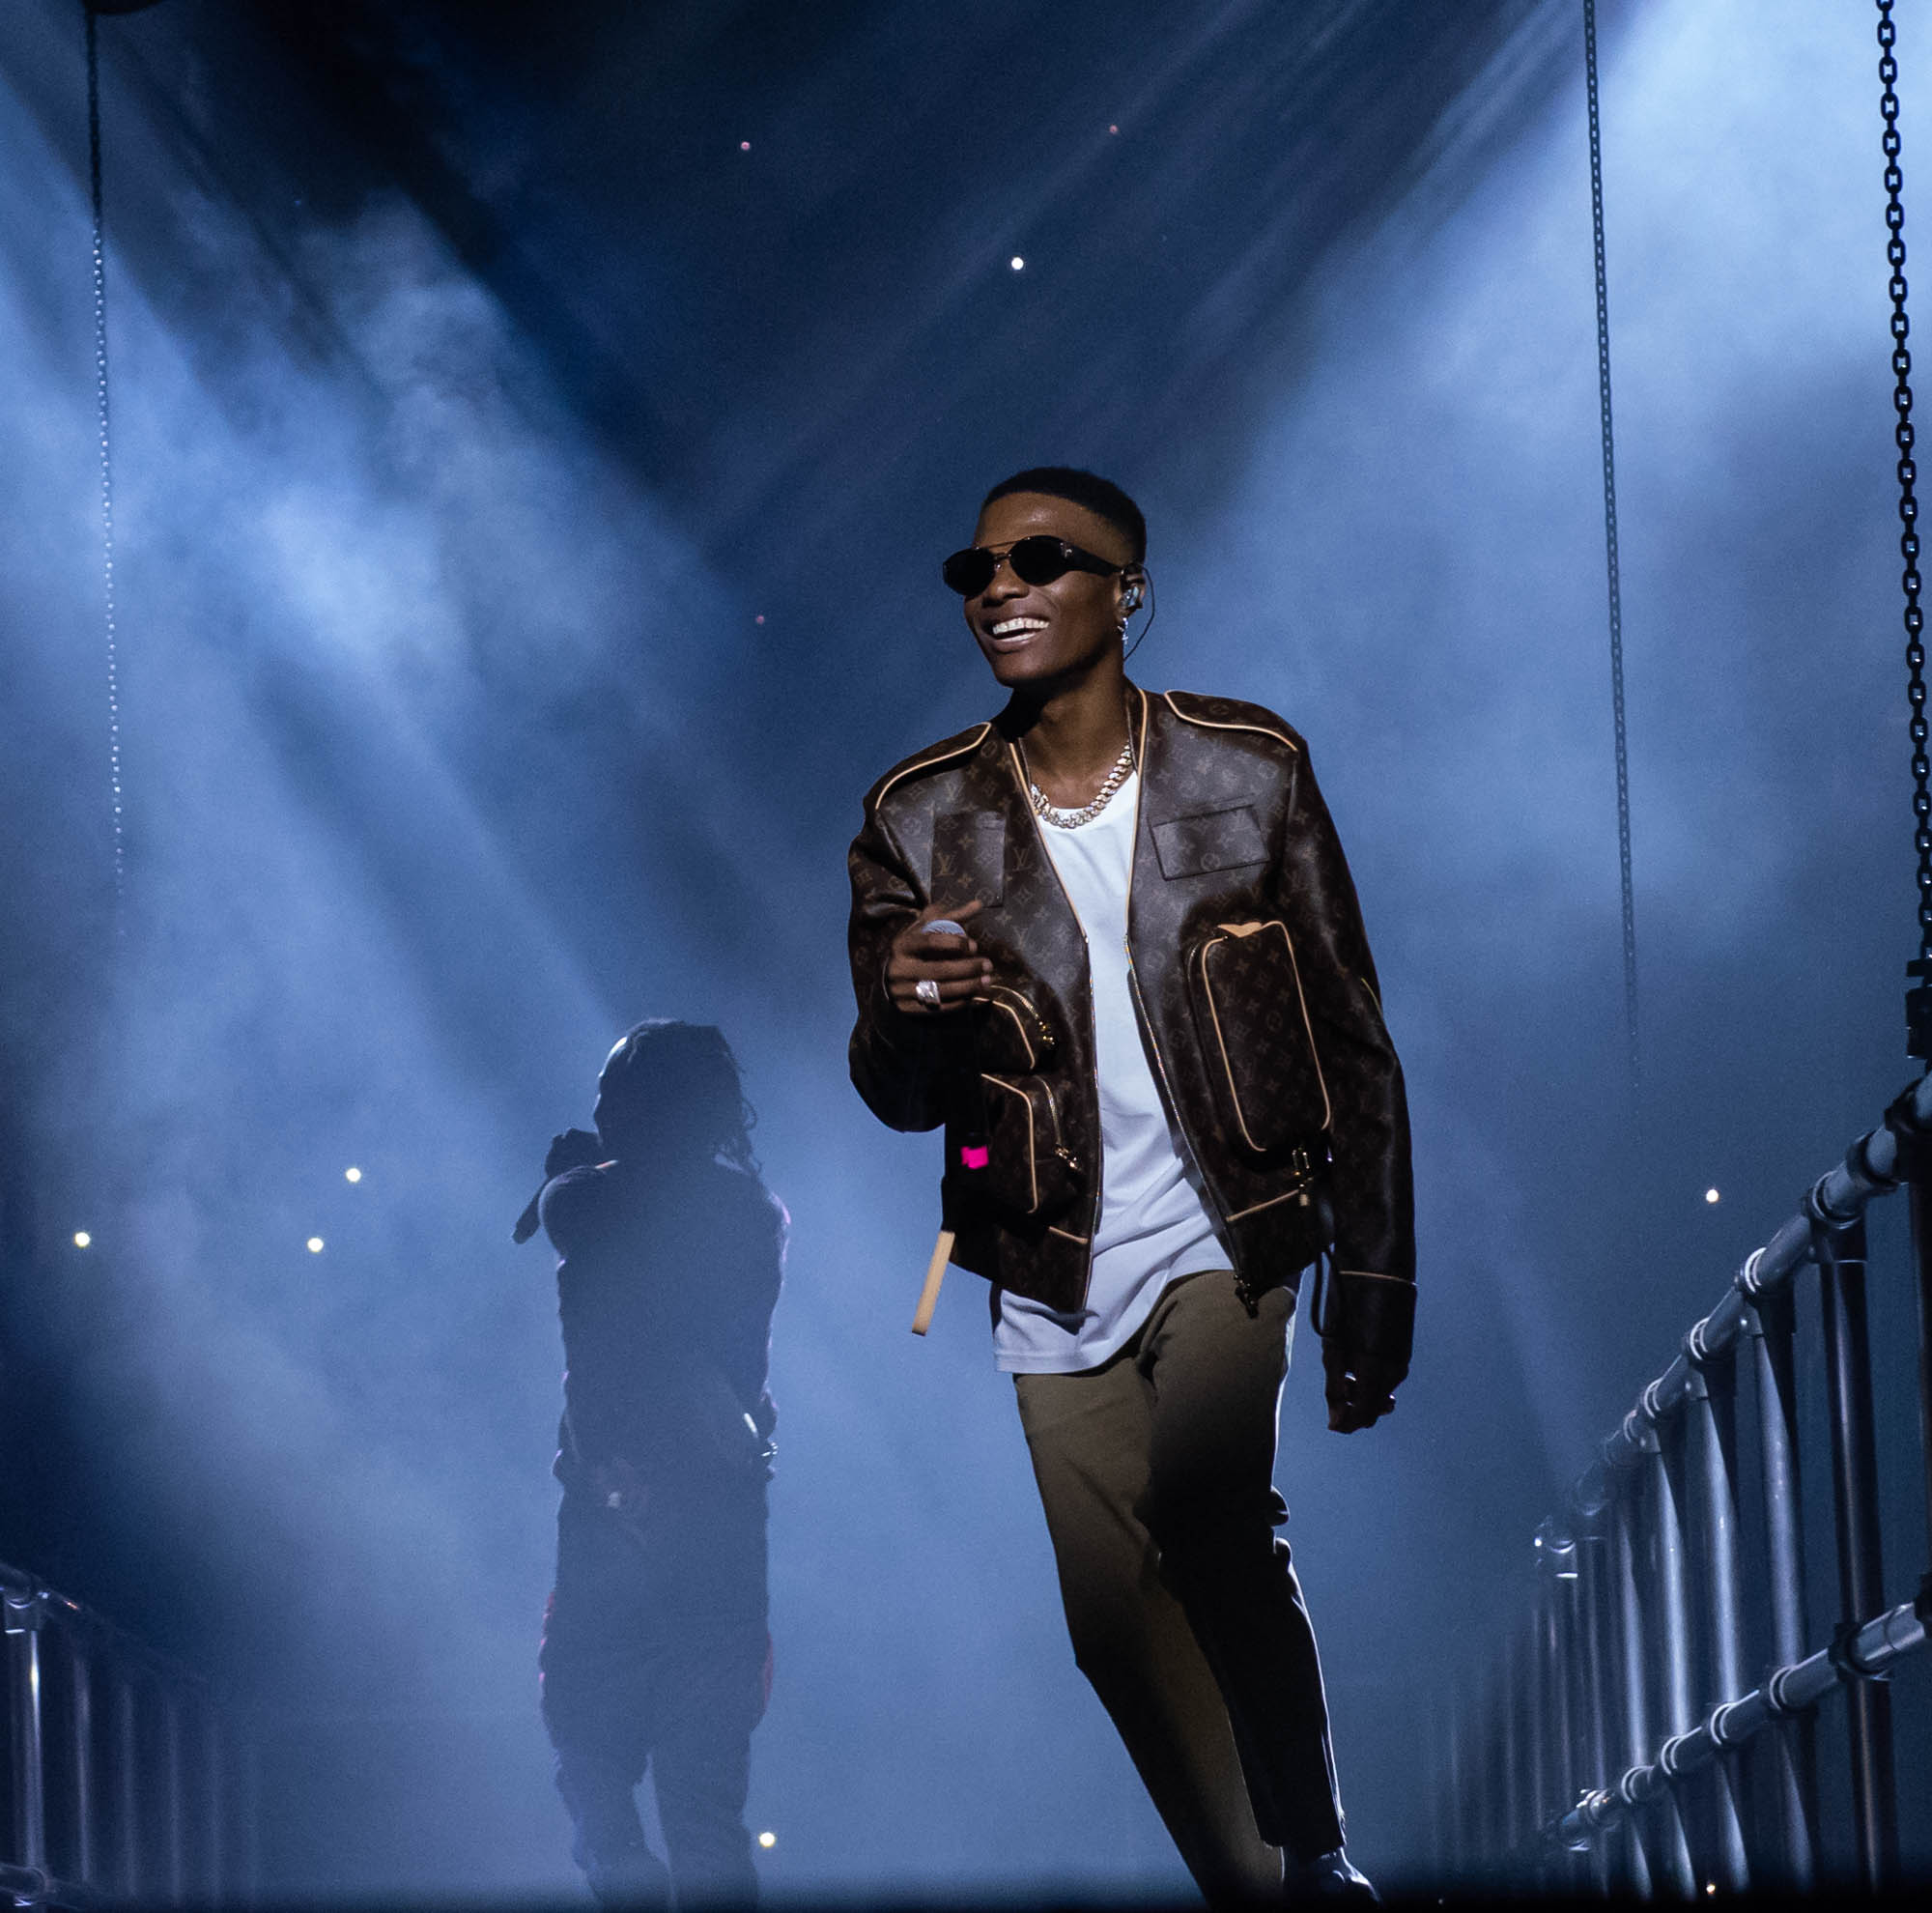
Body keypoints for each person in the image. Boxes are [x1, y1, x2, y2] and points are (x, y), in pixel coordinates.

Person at [845, 468, 1414, 1903]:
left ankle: (1318, 1854)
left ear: (1125, 590)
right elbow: (895, 1098)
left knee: (1215, 1508)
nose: (1003, 591)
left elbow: (1351, 1027)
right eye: (975, 573)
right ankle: (1263, 1891)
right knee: (1113, 1631)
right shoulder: (915, 818)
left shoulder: (1251, 767)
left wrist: (1382, 1271)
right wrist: (902, 1012)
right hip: (1045, 1264)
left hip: (1235, 1227)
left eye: (1041, 560)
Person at [520, 1020, 784, 1907]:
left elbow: (569, 1203)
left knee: (589, 1757)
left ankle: (624, 1878)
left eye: (610, 1087)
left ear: (643, 1104)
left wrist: (574, 1164)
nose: (595, 1101)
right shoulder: (754, 1214)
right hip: (721, 1525)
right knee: (706, 1807)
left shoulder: (582, 1203)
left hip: (610, 1521)